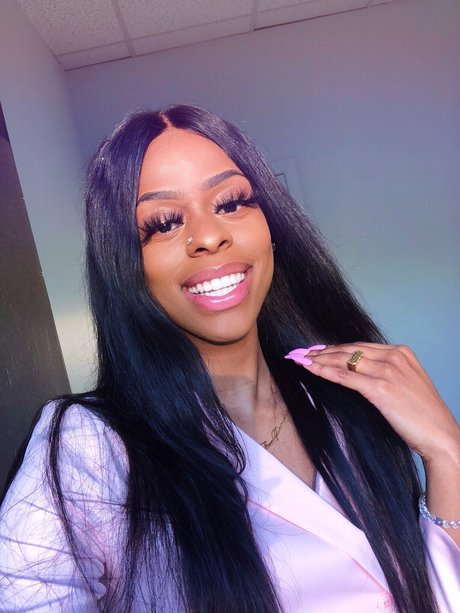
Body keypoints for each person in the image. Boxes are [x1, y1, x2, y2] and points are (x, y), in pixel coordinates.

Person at [0, 104, 459, 613]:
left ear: (271, 228)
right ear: (125, 264)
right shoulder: (92, 446)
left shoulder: (344, 402)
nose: (209, 237)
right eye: (164, 223)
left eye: (231, 202)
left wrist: (447, 453)